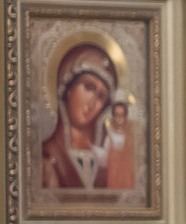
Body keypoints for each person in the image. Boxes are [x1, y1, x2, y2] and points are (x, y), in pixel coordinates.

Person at [38, 40, 134, 192]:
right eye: (88, 87)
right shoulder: (46, 155)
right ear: (68, 89)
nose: (92, 102)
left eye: (101, 96)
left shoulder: (108, 157)